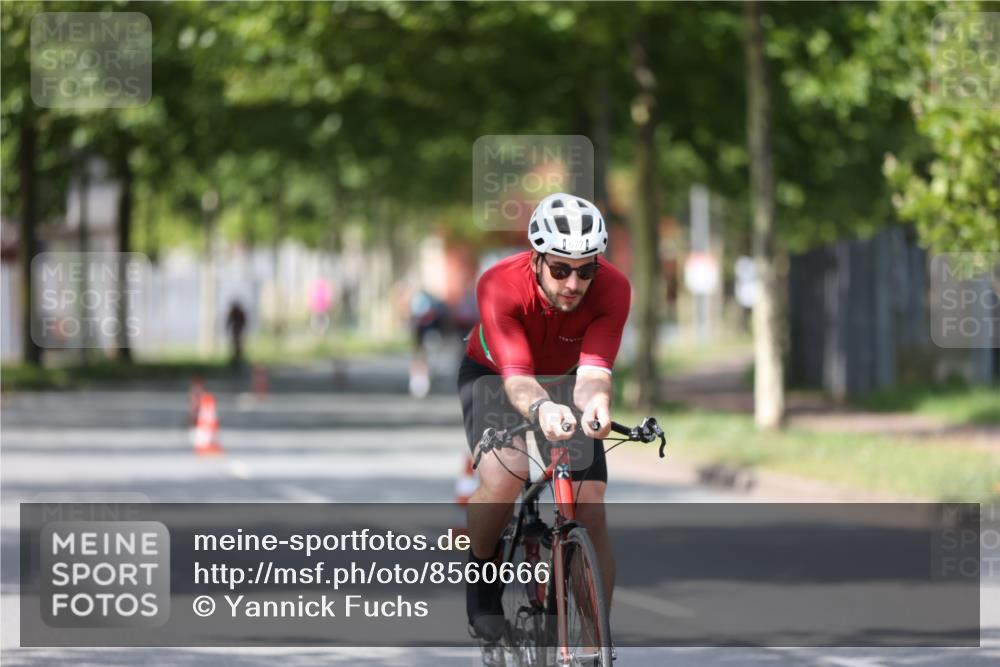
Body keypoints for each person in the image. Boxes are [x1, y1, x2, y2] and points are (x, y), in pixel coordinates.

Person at [457, 193, 631, 645]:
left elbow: (593, 374)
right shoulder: (499, 284)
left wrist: (597, 406)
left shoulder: (613, 288)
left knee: (590, 500)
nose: (573, 283)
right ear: (536, 259)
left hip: (566, 379)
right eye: (560, 270)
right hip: (495, 377)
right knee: (504, 476)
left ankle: (594, 641)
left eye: (586, 271)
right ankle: (483, 581)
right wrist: (541, 409)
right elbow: (518, 380)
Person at [224, 301, 247, 370]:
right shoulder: (234, 312)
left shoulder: (239, 313)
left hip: (238, 330)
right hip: (236, 330)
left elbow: (243, 322)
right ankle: (235, 360)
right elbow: (229, 321)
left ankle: (238, 360)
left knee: (238, 346)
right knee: (235, 346)